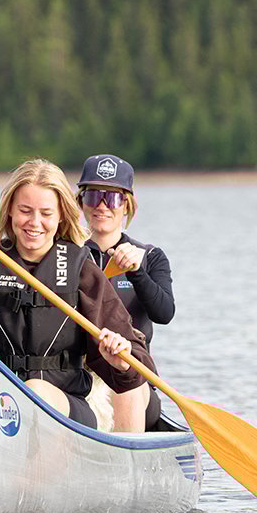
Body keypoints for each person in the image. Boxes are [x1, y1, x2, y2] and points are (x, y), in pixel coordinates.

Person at [0, 157, 153, 431]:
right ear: (10, 210)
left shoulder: (82, 269)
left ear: (61, 216)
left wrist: (119, 360)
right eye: (25, 210)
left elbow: (132, 370)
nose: (35, 223)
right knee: (2, 402)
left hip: (67, 406)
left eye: (46, 213)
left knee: (36, 390)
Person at [77, 153, 174, 431]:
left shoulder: (150, 257)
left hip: (133, 377)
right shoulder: (66, 256)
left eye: (114, 198)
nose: (103, 206)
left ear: (127, 205)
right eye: (94, 196)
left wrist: (136, 273)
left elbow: (164, 314)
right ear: (81, 203)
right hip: (80, 380)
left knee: (124, 385)